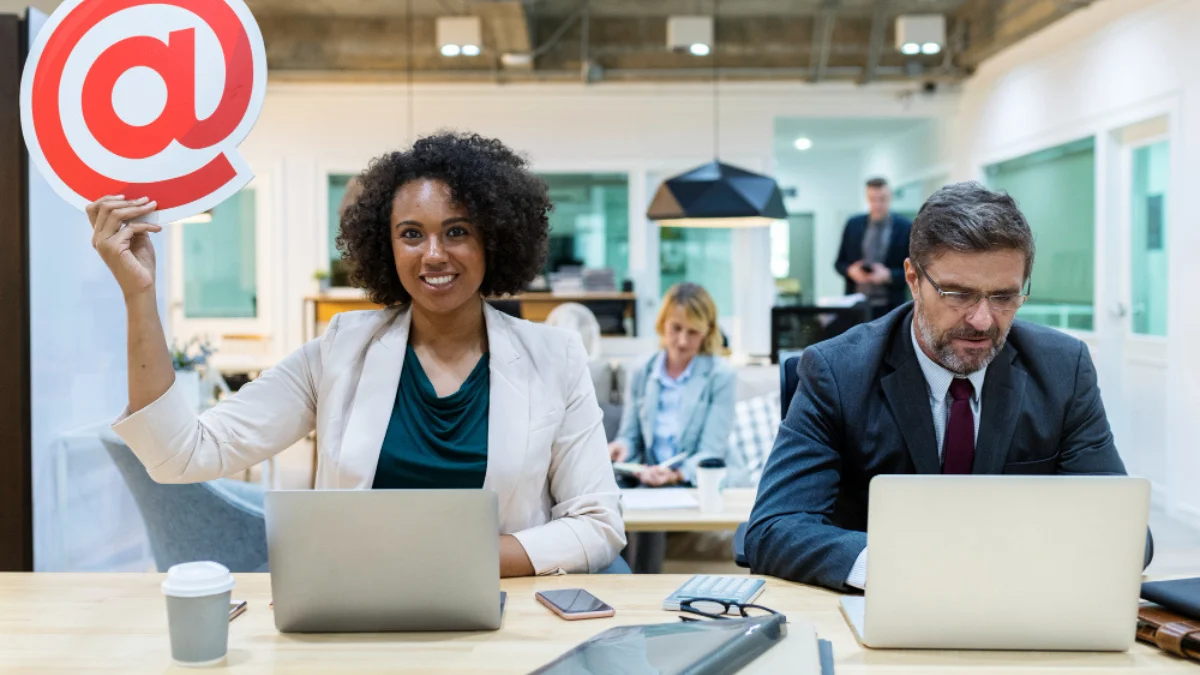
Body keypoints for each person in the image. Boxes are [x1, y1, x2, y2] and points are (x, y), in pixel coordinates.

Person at [92, 132, 626, 576]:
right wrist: (140, 296)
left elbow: (599, 523)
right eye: (411, 234)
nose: (434, 254)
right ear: (386, 247)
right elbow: (180, 455)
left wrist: (454, 561)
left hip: (502, 616)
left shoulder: (554, 357)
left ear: (495, 240)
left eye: (457, 232)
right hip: (357, 617)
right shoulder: (339, 352)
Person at [746, 181, 1148, 592]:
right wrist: (909, 569)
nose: (982, 320)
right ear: (912, 278)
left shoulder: (1063, 369)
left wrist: (1006, 567)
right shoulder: (837, 371)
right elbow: (773, 529)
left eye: (1005, 297)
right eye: (958, 294)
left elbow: (1127, 533)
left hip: (1020, 601)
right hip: (881, 608)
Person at [608, 283, 739, 488]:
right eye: (676, 328)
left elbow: (711, 451)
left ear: (707, 332)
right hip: (650, 483)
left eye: (693, 332)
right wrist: (621, 447)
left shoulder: (721, 375)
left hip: (700, 484)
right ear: (662, 323)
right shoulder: (642, 370)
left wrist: (675, 475)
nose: (682, 341)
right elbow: (630, 437)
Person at [835, 177, 913, 319]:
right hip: (856, 303)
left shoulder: (905, 227)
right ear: (867, 198)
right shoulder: (853, 224)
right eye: (872, 199)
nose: (877, 204)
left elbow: (915, 270)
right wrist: (851, 271)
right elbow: (839, 263)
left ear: (890, 197)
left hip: (890, 306)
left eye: (882, 199)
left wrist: (889, 276)